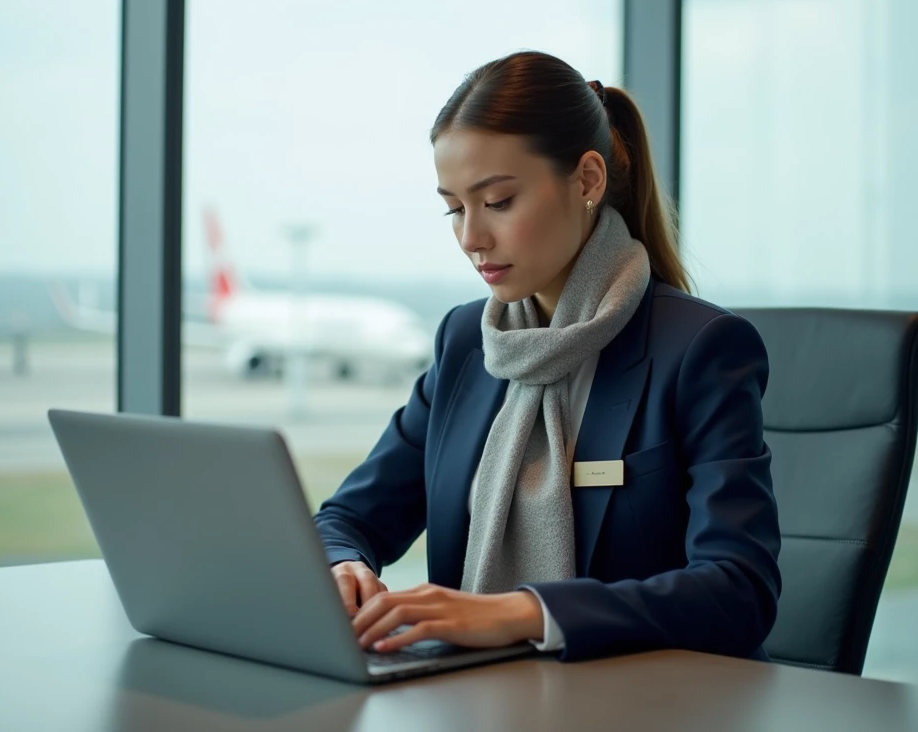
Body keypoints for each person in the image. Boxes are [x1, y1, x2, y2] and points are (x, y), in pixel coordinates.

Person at [313, 50, 781, 663]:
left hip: (643, 699)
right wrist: (343, 565)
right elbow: (347, 518)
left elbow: (740, 590)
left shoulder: (700, 348)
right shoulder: (466, 343)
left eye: (498, 201)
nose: (471, 237)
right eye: (454, 208)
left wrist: (522, 613)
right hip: (476, 695)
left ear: (587, 180)